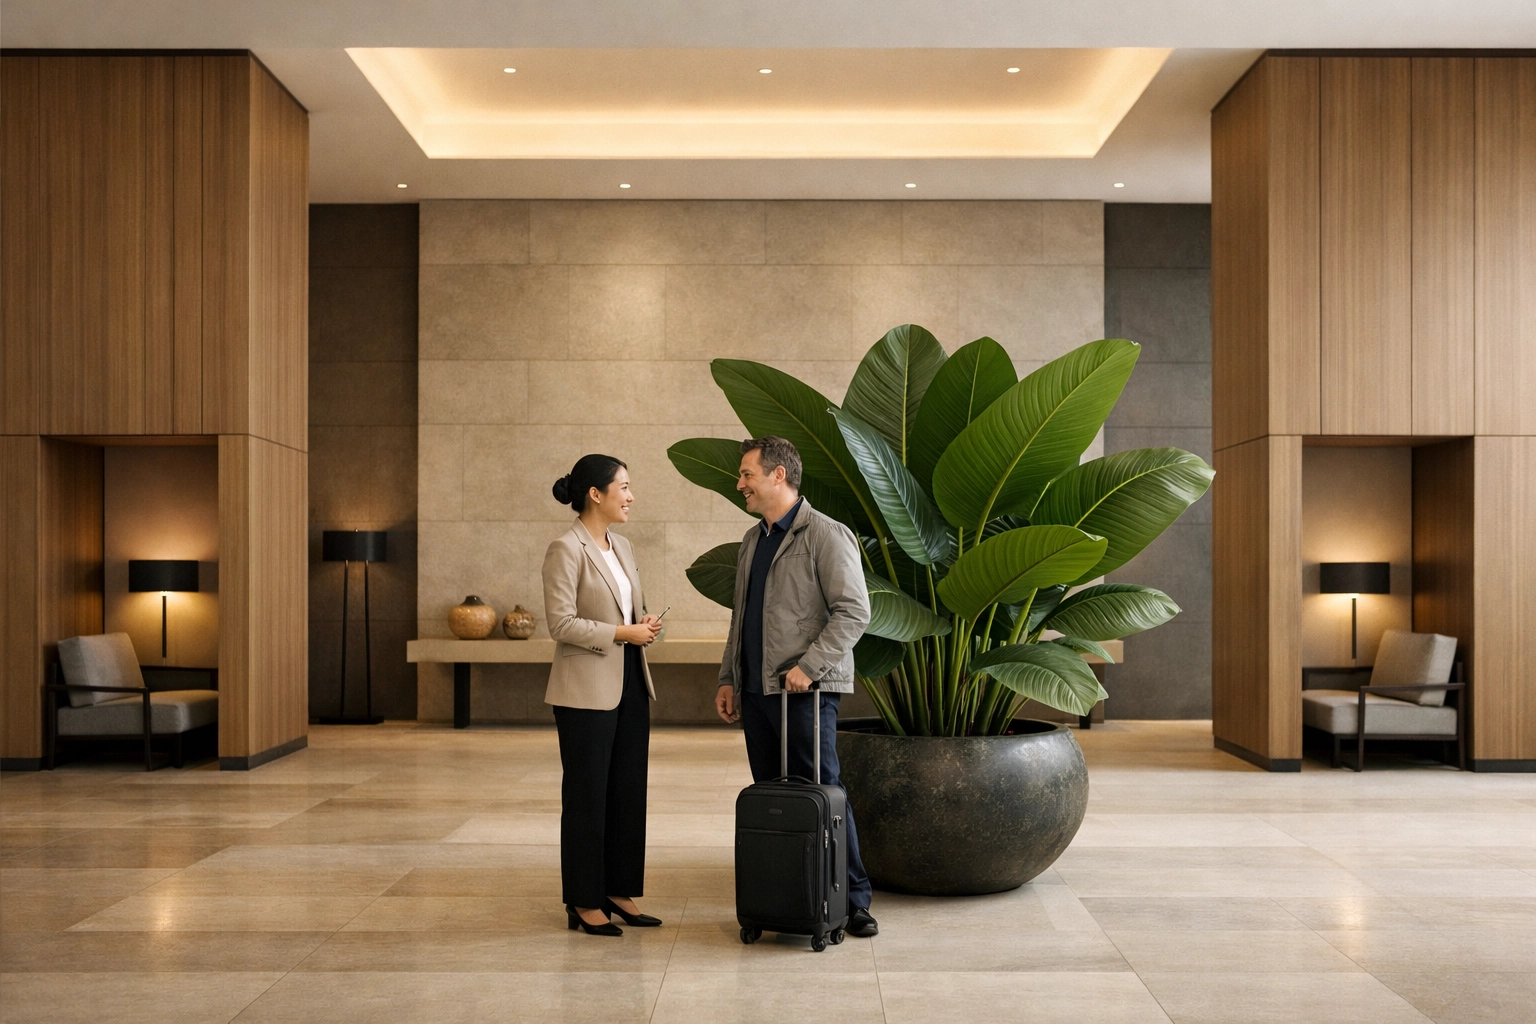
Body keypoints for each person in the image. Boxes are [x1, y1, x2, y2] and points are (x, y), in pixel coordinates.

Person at [715, 436, 879, 938]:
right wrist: (728, 677)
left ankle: (852, 902)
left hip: (804, 693)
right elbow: (740, 619)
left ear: (778, 476)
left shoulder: (825, 534)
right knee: (773, 799)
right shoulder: (751, 540)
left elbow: (855, 612)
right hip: (757, 691)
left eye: (747, 474)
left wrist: (809, 667)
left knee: (823, 792)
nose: (739, 483)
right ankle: (784, 898)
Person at [542, 454, 663, 936]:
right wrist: (620, 632)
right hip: (584, 691)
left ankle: (619, 892)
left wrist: (645, 625)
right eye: (624, 487)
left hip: (632, 680)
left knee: (629, 793)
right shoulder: (565, 548)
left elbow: (632, 606)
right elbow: (560, 623)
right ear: (596, 494)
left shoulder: (624, 546)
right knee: (587, 796)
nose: (631, 496)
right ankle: (584, 901)